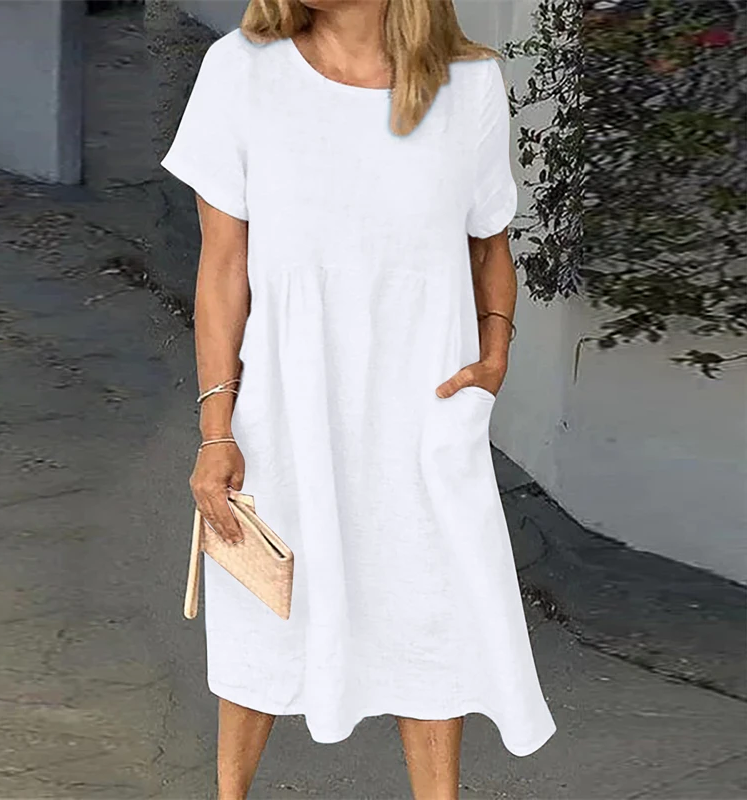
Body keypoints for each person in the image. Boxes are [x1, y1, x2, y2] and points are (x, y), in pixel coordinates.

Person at [160, 0, 557, 797]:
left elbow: (490, 241)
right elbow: (222, 268)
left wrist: (495, 351)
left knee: (430, 607)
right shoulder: (241, 70)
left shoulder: (469, 84)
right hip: (286, 403)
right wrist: (216, 429)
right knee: (264, 607)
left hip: (423, 409)